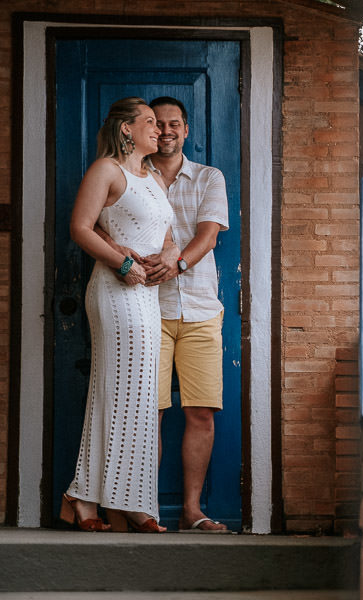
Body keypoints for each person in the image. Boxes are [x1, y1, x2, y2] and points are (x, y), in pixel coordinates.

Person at [62, 97, 172, 533]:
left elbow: (165, 235)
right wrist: (121, 263)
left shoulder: (156, 178)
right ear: (126, 129)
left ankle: (100, 499)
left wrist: (168, 255)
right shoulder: (107, 169)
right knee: (117, 391)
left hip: (148, 295)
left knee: (140, 397)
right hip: (114, 290)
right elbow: (80, 227)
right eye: (149, 122)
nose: (158, 130)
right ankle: (104, 501)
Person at [140, 96, 230, 533]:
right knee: (148, 412)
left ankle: (192, 511)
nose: (167, 130)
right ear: (148, 129)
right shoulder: (133, 175)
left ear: (186, 129)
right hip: (145, 310)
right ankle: (146, 510)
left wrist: (175, 263)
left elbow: (208, 236)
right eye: (159, 124)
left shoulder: (210, 177)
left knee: (200, 412)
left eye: (175, 123)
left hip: (199, 309)